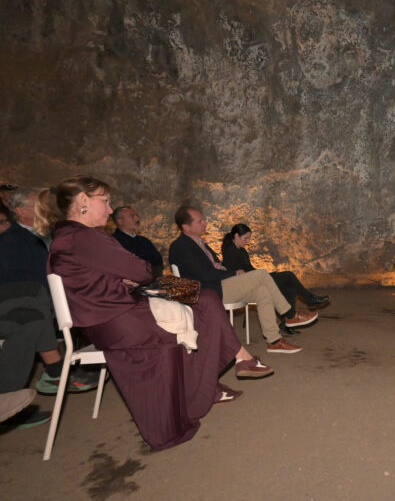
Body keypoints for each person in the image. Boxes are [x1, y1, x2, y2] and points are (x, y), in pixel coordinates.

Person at [47, 175, 273, 451]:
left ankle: (224, 371)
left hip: (114, 310)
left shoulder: (70, 236)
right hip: (119, 319)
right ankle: (224, 371)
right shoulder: (83, 237)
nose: (109, 210)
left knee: (202, 295)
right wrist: (129, 276)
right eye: (105, 202)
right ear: (83, 201)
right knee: (202, 301)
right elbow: (142, 270)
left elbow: (134, 271)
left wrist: (126, 276)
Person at [169, 206, 317, 354]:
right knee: (262, 275)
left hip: (219, 285)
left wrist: (225, 270)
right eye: (200, 221)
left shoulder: (200, 243)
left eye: (204, 220)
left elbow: (215, 266)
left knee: (262, 291)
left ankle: (274, 341)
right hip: (210, 290)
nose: (205, 223)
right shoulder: (180, 246)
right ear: (186, 226)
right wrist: (234, 274)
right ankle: (289, 315)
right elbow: (205, 274)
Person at [0, 205, 98, 430]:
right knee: (35, 294)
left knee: (32, 317)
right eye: (2, 223)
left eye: (6, 222)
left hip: (22, 306)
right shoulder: (12, 241)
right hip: (15, 300)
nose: (6, 227)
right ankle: (54, 371)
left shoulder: (28, 237)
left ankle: (9, 395)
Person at [221, 223, 329, 334]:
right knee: (288, 275)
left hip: (254, 279)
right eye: (245, 238)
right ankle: (309, 299)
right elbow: (233, 275)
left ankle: (286, 324)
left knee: (289, 287)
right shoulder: (230, 251)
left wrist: (263, 274)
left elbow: (249, 269)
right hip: (245, 286)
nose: (247, 241)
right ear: (237, 236)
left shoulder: (242, 250)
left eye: (249, 238)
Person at [112, 206, 164, 278]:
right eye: (132, 216)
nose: (137, 219)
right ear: (120, 221)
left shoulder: (144, 241)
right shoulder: (113, 243)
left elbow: (158, 263)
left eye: (137, 215)